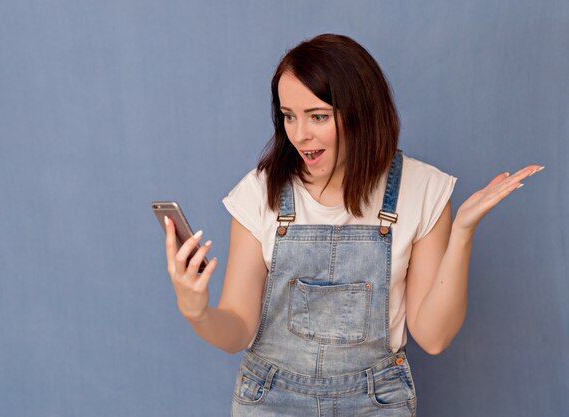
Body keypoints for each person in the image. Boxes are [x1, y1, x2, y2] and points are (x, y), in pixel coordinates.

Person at [163, 34, 543, 416]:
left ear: (361, 110)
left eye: (318, 116)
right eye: (289, 116)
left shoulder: (422, 189)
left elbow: (434, 336)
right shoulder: (261, 191)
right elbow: (237, 333)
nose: (299, 135)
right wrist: (197, 311)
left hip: (377, 402)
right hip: (271, 400)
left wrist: (462, 231)